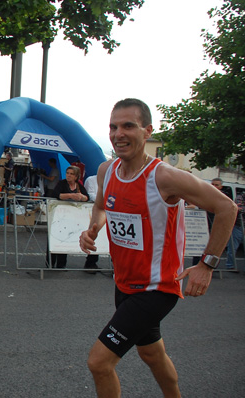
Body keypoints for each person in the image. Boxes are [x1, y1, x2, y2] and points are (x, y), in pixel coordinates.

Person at [79, 98, 237, 397]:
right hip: (124, 284)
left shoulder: (164, 177)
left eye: (128, 126)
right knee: (151, 354)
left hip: (157, 288)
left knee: (99, 363)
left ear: (147, 131)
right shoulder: (106, 171)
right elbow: (101, 207)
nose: (118, 134)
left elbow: (226, 208)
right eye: (113, 127)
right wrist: (94, 228)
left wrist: (206, 265)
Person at [50, 165, 89, 269]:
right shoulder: (62, 183)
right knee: (54, 237)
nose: (69, 175)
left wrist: (81, 197)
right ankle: (50, 263)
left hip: (71, 216)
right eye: (67, 173)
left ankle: (61, 264)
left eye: (71, 174)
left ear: (76, 176)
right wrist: (70, 195)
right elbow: (56, 194)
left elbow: (87, 197)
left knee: (66, 237)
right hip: (59, 214)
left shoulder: (79, 185)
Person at [83, 174, 99, 272]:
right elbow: (90, 194)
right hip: (92, 211)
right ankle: (90, 263)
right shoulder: (91, 180)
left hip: (107, 211)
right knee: (93, 236)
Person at [226, 190, 244, 270]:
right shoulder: (240, 197)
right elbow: (239, 208)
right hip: (238, 225)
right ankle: (231, 265)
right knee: (233, 247)